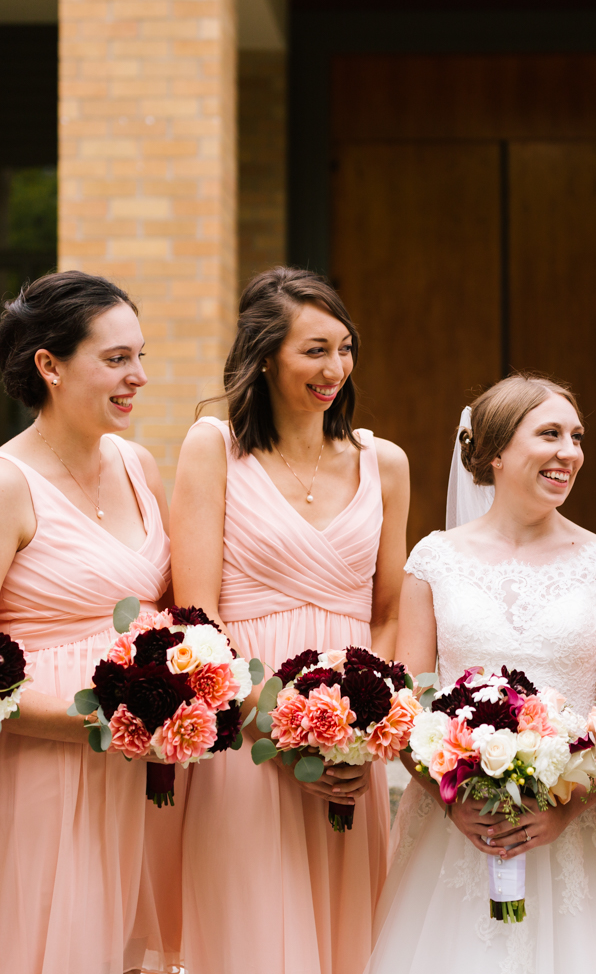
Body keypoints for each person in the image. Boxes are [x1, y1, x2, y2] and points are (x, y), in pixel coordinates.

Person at [368, 373, 596, 973]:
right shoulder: (433, 559)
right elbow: (405, 710)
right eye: (549, 434)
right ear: (496, 452)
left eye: (576, 437)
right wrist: (448, 801)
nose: (569, 452)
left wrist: (565, 811)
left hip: (575, 828)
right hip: (457, 825)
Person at [0, 271, 174, 974]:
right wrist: (102, 723)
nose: (140, 377)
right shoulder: (1, 483)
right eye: (117, 359)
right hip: (42, 768)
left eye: (141, 356)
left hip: (139, 771)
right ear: (50, 366)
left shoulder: (139, 465)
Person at [172, 267, 409, 974]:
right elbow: (198, 613)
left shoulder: (383, 464)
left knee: (347, 935)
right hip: (247, 735)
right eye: (314, 349)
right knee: (252, 934)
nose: (334, 368)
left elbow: (388, 613)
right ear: (265, 355)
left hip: (349, 741)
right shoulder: (213, 448)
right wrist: (274, 726)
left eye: (344, 347)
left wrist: (361, 727)